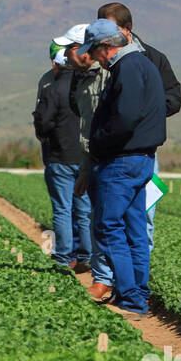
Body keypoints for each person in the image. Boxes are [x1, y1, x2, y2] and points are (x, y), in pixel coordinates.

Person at [84, 19, 166, 315]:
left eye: (94, 52)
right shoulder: (144, 65)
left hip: (121, 161)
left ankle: (131, 297)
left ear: (106, 46)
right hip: (142, 160)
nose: (94, 59)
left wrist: (100, 143)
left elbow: (125, 117)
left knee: (108, 226)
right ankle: (137, 293)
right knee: (134, 228)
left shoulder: (127, 68)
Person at [96, 2, 181, 249]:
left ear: (128, 28)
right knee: (104, 215)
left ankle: (138, 273)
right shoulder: (96, 59)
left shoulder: (152, 58)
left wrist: (145, 116)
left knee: (143, 215)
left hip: (141, 150)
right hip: (105, 149)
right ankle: (107, 275)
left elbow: (174, 98)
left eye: (111, 29)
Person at [64, 25, 116, 303]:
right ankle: (104, 278)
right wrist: (85, 166)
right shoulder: (80, 80)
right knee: (100, 219)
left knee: (119, 221)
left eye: (70, 49)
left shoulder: (108, 75)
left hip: (113, 157)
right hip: (92, 157)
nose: (68, 56)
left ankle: (123, 282)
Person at [33, 45, 91, 272]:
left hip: (60, 156)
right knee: (84, 209)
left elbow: (44, 122)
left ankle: (64, 257)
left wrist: (46, 135)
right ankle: (87, 255)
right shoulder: (87, 85)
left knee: (63, 210)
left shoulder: (53, 88)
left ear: (57, 64)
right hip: (84, 156)